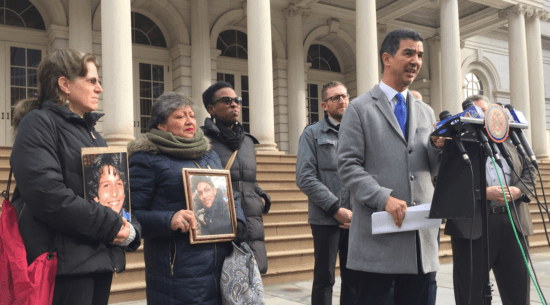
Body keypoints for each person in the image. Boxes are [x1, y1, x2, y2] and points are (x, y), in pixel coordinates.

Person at [10, 49, 140, 305]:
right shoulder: (38, 123)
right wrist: (113, 226)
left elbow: (116, 199)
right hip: (61, 267)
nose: (99, 89)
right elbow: (48, 196)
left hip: (100, 261)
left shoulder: (95, 136)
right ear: (65, 84)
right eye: (92, 81)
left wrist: (131, 229)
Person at [337, 29, 445, 305]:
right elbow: (348, 166)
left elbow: (431, 168)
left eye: (420, 55)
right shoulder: (359, 108)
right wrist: (382, 197)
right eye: (408, 53)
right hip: (378, 244)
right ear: (387, 58)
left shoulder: (426, 111)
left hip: (420, 241)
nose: (416, 61)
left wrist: (438, 147)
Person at [128, 91, 247, 304]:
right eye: (179, 116)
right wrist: (169, 219)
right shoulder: (147, 158)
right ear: (161, 125)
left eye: (191, 115)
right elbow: (131, 214)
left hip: (221, 265)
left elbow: (228, 193)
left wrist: (237, 220)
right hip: (177, 270)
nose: (189, 121)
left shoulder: (208, 154)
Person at [444, 95, 535, 305]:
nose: (484, 117)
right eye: (476, 112)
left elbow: (530, 170)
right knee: (472, 297)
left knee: (518, 295)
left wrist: (518, 190)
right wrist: (481, 193)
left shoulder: (512, 140)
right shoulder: (457, 143)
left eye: (486, 110)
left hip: (514, 223)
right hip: (473, 227)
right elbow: (444, 182)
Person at [201, 81, 272, 273]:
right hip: (221, 218)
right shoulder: (201, 139)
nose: (235, 104)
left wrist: (262, 196)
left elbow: (250, 179)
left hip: (252, 220)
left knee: (252, 277)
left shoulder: (247, 141)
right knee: (223, 275)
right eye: (227, 100)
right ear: (211, 109)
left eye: (237, 100)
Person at [296, 81, 356, 305]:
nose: (342, 100)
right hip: (325, 218)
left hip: (356, 218)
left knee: (354, 278)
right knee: (324, 278)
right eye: (335, 97)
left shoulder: (357, 132)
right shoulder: (312, 134)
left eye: (344, 95)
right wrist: (335, 208)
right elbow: (305, 177)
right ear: (324, 105)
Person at [86, 153, 130, 221]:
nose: (114, 193)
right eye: (106, 185)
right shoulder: (90, 225)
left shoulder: (129, 218)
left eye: (118, 184)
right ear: (95, 196)